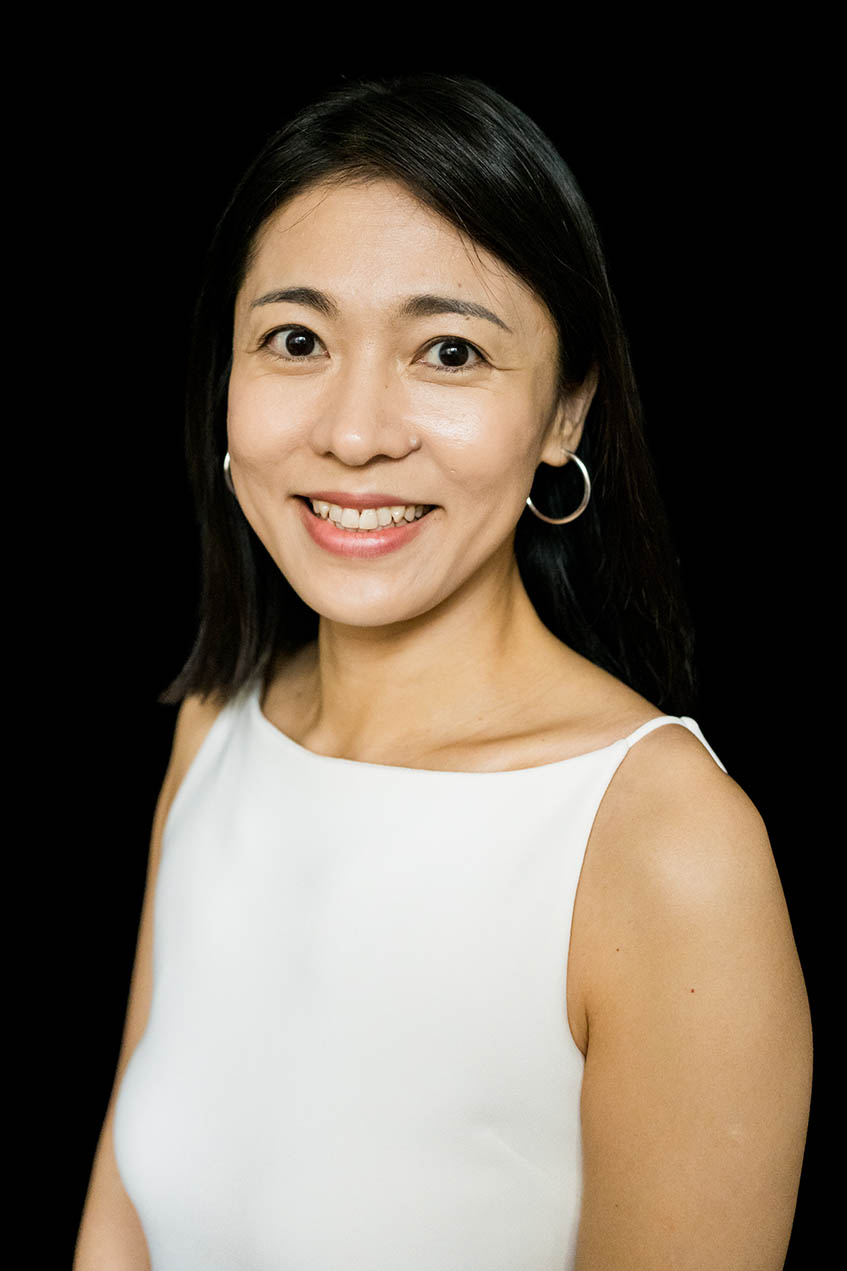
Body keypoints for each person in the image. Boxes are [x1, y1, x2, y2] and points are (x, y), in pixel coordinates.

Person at [74, 72, 812, 1270]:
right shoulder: (215, 728)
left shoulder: (662, 845)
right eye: (296, 340)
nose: (356, 431)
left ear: (564, 412)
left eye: (450, 350)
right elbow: (121, 1220)